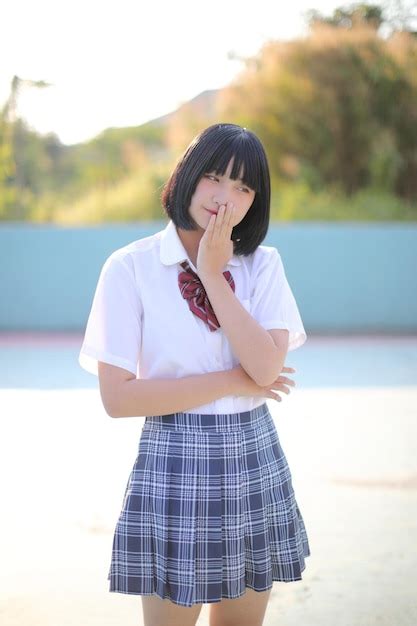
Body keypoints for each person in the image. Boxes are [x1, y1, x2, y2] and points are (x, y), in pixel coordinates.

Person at [78, 122, 310, 626]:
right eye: (214, 177)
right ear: (186, 176)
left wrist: (211, 272)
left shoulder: (262, 266)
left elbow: (268, 367)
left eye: (244, 187)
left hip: (252, 456)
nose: (226, 196)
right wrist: (233, 381)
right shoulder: (130, 267)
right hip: (174, 458)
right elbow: (118, 398)